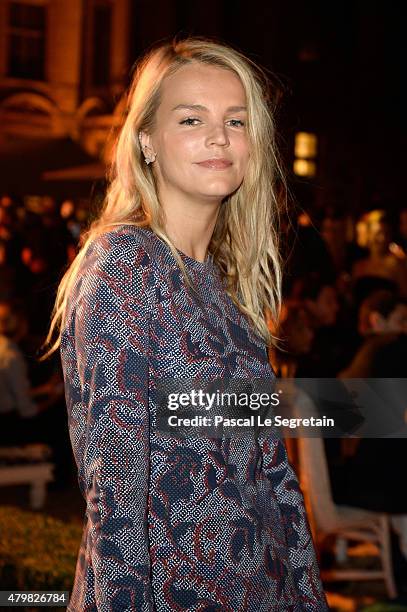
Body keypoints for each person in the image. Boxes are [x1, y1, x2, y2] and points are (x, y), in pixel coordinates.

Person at [43, 37, 328, 611]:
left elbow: (270, 472)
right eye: (192, 118)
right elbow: (117, 489)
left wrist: (307, 595)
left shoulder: (227, 289)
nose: (219, 136)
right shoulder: (126, 266)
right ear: (147, 140)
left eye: (236, 120)